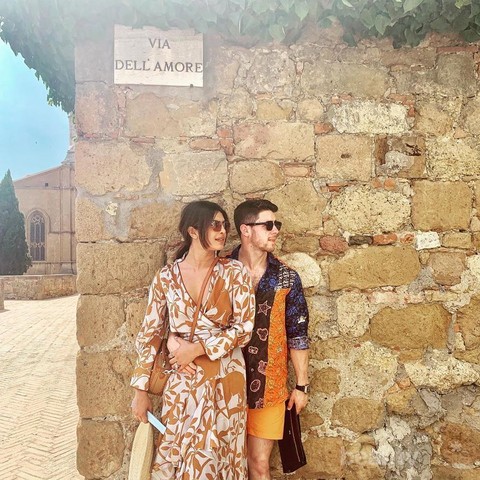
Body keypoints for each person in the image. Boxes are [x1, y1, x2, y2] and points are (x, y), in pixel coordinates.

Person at [131, 200, 256, 479]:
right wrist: (140, 391)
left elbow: (245, 328)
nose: (222, 231)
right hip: (182, 380)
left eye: (224, 225)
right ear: (192, 231)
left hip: (226, 378)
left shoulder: (235, 273)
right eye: (215, 225)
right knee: (179, 455)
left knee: (222, 455)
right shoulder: (166, 277)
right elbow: (150, 333)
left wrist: (197, 349)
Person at [231, 199, 310, 480]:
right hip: (223, 384)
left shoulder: (287, 278)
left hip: (270, 387)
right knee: (224, 462)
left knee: (259, 464)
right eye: (268, 225)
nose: (275, 230)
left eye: (277, 224)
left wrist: (301, 385)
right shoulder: (220, 271)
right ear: (246, 229)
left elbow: (298, 334)